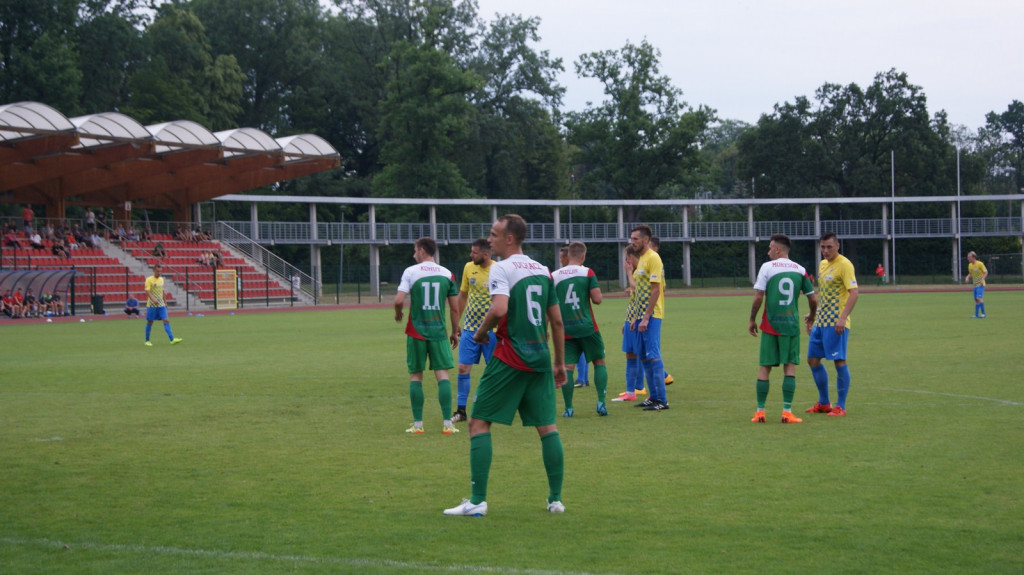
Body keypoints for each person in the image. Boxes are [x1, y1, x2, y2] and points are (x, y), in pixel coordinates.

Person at [444, 214, 567, 517]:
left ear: (510, 238)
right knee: (547, 428)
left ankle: (476, 501)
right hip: (539, 358)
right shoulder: (543, 270)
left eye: (495, 234)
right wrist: (560, 363)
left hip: (511, 356)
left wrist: (482, 331)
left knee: (477, 423)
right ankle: (555, 500)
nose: (490, 239)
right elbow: (557, 321)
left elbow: (499, 308)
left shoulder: (501, 267)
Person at [393, 237, 461, 435]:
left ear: (422, 250)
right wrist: (455, 331)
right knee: (443, 376)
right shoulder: (447, 274)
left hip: (416, 332)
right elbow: (455, 308)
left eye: (415, 250)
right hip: (439, 332)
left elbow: (398, 300)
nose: (414, 254)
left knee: (416, 375)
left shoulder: (411, 272)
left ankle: (418, 425)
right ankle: (448, 424)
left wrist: (398, 313)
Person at [748, 234, 818, 424]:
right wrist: (811, 316)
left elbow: (758, 296)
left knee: (765, 367)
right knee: (789, 367)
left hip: (770, 325)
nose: (768, 251)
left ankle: (760, 412)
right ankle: (787, 412)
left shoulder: (767, 267)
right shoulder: (800, 270)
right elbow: (813, 298)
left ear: (778, 250)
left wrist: (752, 319)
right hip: (791, 325)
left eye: (770, 248)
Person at [805, 232, 858, 417]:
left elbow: (854, 293)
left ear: (837, 246)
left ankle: (840, 406)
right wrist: (812, 316)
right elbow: (822, 294)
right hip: (821, 320)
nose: (825, 251)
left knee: (839, 360)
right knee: (812, 359)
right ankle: (824, 403)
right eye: (822, 247)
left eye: (829, 247)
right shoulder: (822, 264)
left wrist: (843, 318)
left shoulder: (844, 264)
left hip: (836, 322)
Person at [553, 241, 608, 417]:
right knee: (599, 361)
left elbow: (550, 304)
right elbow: (597, 299)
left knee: (568, 368)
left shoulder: (554, 276)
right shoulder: (587, 272)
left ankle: (568, 408)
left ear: (567, 255)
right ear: (583, 256)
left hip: (566, 328)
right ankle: (601, 402)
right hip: (587, 326)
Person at [453, 238, 497, 423]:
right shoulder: (468, 267)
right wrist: (456, 323)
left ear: (485, 255)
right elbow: (462, 295)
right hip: (470, 328)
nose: (471, 255)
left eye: (474, 252)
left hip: (492, 330)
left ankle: (492, 407)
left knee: (494, 371)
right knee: (463, 367)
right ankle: (461, 411)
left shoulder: (498, 270)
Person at [630, 225, 669, 411]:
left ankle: (662, 400)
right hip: (641, 315)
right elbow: (639, 292)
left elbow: (656, 290)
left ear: (646, 240)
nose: (632, 242)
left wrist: (645, 317)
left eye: (635, 239)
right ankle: (653, 397)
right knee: (644, 356)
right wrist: (635, 317)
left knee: (653, 355)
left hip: (652, 315)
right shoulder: (643, 259)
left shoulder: (653, 258)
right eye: (631, 239)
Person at [611, 246, 648, 402]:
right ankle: (632, 391)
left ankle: (637, 389)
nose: (626, 262)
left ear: (632, 257)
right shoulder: (636, 273)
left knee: (640, 355)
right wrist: (626, 321)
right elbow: (633, 300)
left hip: (638, 320)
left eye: (627, 259)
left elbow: (638, 290)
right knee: (631, 354)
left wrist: (628, 272)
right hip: (631, 320)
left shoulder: (640, 272)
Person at [559, 246, 590, 388]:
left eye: (561, 257)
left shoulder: (572, 273)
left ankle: (582, 379)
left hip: (575, 317)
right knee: (578, 348)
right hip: (576, 317)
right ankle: (582, 378)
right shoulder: (581, 271)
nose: (560, 260)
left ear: (567, 257)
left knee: (577, 348)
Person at [144, 263, 183, 346]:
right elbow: (147, 291)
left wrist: (165, 302)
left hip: (161, 304)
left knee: (166, 320)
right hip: (151, 305)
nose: (159, 273)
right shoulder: (149, 280)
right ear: (154, 270)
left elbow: (162, 291)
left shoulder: (161, 280)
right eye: (158, 271)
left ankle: (172, 339)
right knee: (150, 322)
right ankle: (147, 341)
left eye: (160, 271)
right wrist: (153, 299)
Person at [964, 251, 988, 318]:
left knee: (979, 298)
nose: (968, 258)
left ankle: (983, 314)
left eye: (969, 257)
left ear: (973, 257)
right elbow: (971, 273)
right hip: (975, 285)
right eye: (968, 257)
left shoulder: (980, 264)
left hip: (981, 284)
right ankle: (976, 315)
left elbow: (986, 272)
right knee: (976, 300)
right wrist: (967, 277)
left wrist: (982, 279)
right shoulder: (970, 265)